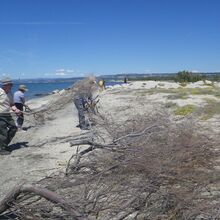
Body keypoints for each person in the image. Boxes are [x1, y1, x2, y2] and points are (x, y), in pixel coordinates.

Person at [0, 77, 21, 155]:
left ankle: (3, 145)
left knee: (14, 128)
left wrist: (16, 110)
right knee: (3, 132)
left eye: (11, 84)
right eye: (10, 84)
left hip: (7, 114)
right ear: (5, 85)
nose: (11, 85)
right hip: (0, 115)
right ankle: (1, 149)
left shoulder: (10, 92)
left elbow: (11, 104)